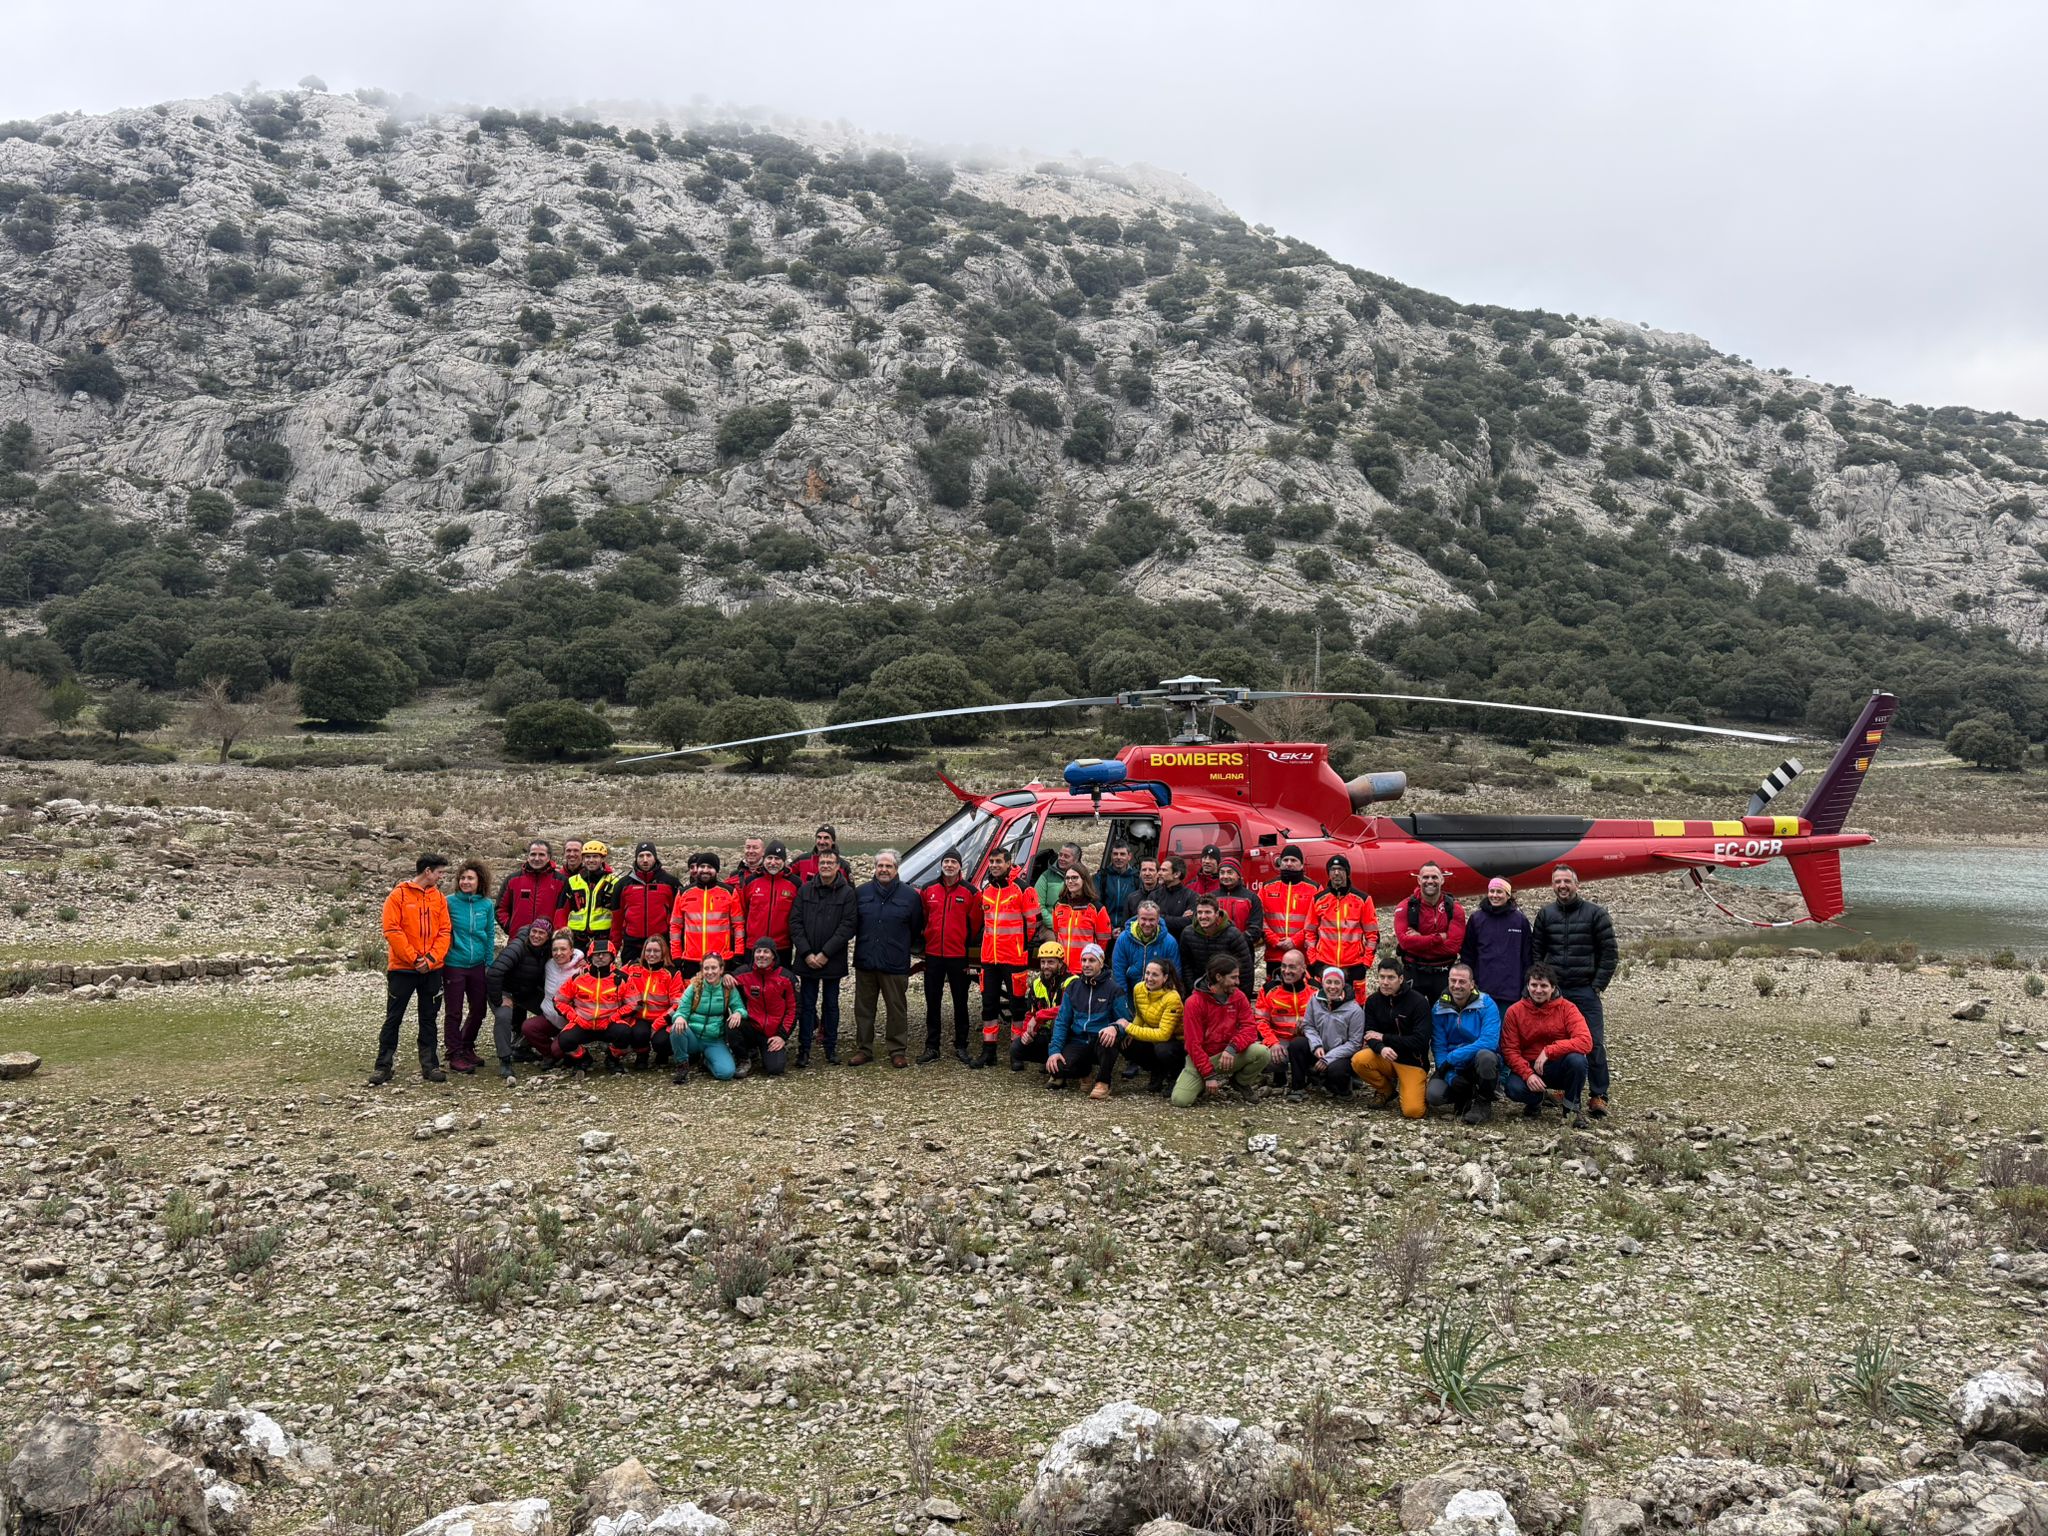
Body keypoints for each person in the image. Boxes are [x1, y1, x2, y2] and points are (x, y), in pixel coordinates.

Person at [1532, 865, 1618, 1119]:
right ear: (1552, 885)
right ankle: (1565, 1089)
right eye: (1557, 881)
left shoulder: (1595, 914)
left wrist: (1597, 985)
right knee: (1557, 1042)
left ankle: (1598, 1094)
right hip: (1556, 992)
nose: (1562, 885)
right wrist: (1542, 987)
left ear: (1576, 885)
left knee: (1592, 1042)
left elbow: (1609, 953)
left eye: (1567, 881)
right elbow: (1537, 953)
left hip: (1584, 989)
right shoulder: (1545, 915)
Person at [371, 853, 452, 1086]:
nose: (441, 877)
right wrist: (415, 958)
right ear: (427, 871)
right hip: (403, 969)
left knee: (429, 1018)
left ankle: (430, 1065)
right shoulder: (398, 895)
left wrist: (432, 958)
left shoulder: (439, 898)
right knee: (393, 1018)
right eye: (439, 872)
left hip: (432, 969)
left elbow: (445, 932)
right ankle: (383, 1066)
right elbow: (392, 930)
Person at [852, 848, 924, 1068]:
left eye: (888, 866)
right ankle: (864, 1049)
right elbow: (854, 923)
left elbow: (916, 927)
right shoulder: (861, 893)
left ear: (896, 868)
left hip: (894, 962)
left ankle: (897, 1050)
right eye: (880, 866)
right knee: (863, 1009)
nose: (883, 870)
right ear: (875, 868)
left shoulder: (910, 896)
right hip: (866, 959)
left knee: (896, 1008)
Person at [1502, 961, 1592, 1127]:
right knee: (1513, 1088)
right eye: (1534, 985)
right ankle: (1536, 1100)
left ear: (1553, 987)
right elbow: (1509, 1050)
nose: (1538, 990)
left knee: (1578, 1061)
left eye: (1543, 985)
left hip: (1559, 1065)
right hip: (1529, 1065)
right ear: (1527, 986)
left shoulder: (1568, 1008)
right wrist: (1527, 1074)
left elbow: (1585, 1041)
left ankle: (1571, 1111)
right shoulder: (1514, 1011)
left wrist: (1549, 1051)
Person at [789, 848, 857, 1066]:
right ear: (817, 865)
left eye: (830, 862)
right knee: (807, 1005)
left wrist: (826, 953)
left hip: (832, 959)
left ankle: (831, 1048)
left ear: (838, 866)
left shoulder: (847, 894)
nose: (826, 865)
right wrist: (807, 953)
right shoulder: (805, 890)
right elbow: (795, 923)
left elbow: (848, 926)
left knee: (831, 1004)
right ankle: (804, 1049)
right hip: (807, 959)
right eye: (822, 862)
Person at [1175, 955, 1270, 1107]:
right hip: (1204, 1058)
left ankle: (1240, 1082)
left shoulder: (1238, 997)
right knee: (1180, 1100)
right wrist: (1208, 1075)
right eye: (1233, 977)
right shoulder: (1194, 1002)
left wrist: (1232, 1048)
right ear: (1219, 977)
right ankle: (1201, 1083)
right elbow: (1193, 1045)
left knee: (1262, 1052)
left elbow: (1250, 1028)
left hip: (1230, 1055)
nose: (1237, 982)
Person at [976, 845, 1039, 1069]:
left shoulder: (1023, 889)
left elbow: (1033, 923)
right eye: (991, 862)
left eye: (998, 862)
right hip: (989, 958)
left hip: (1013, 958)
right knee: (989, 1005)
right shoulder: (987, 890)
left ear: (1009, 864)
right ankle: (988, 1051)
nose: (994, 866)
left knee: (1018, 1006)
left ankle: (1016, 1052)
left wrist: (1019, 944)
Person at [918, 847, 982, 1066]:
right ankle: (932, 1046)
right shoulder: (929, 890)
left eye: (953, 862)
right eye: (946, 861)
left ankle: (961, 1045)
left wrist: (962, 942)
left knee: (960, 1002)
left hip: (958, 955)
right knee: (932, 1001)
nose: (949, 866)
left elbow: (975, 924)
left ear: (960, 866)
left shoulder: (971, 892)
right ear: (941, 864)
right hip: (934, 954)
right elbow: (925, 917)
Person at [1045, 942, 1130, 1098]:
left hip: (1101, 1040)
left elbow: (1125, 1020)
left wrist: (1115, 1028)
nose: (1086, 964)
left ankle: (1103, 1082)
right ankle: (1085, 1073)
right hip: (1079, 1040)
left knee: (1109, 1038)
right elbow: (1062, 1021)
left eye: (1092, 960)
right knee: (1056, 1067)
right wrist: (1055, 1051)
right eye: (1084, 960)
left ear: (1101, 962)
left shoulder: (1114, 989)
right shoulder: (1073, 987)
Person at [439, 859, 496, 1076]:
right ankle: (454, 1053)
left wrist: (489, 962)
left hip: (478, 965)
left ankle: (466, 1044)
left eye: (470, 878)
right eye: (462, 878)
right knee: (453, 1011)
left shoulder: (487, 905)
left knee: (479, 1009)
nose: (465, 881)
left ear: (479, 880)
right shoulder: (449, 902)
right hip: (454, 963)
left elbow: (490, 934)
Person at [1354, 955, 1430, 1118]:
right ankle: (1386, 1090)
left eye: (1391, 978)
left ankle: (1415, 1087)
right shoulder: (1373, 1001)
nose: (1385, 982)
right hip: (1386, 1057)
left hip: (1412, 1061)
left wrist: (1385, 1038)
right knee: (1359, 1061)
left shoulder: (1418, 1002)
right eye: (1382, 977)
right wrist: (1381, 1048)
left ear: (1401, 979)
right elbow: (1369, 1034)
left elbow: (1420, 1041)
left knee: (1413, 1112)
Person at [553, 940, 644, 1077]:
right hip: (583, 1023)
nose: (600, 957)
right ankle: (583, 1058)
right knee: (565, 1040)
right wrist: (576, 1018)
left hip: (609, 1023)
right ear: (590, 956)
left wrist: (613, 1018)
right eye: (596, 954)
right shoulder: (578, 977)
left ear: (612, 956)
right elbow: (558, 1001)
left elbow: (635, 1003)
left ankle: (612, 1058)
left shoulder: (622, 978)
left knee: (625, 1033)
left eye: (604, 954)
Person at [1428, 962, 1503, 1124]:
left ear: (1472, 984)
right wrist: (1450, 1077)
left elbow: (1489, 1042)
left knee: (1486, 1057)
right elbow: (1439, 1048)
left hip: (1477, 1062)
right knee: (1434, 1096)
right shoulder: (1439, 1007)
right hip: (1452, 1066)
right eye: (1453, 981)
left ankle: (1484, 1101)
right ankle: (1466, 1095)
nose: (1457, 986)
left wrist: (1454, 1057)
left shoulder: (1486, 1004)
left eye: (1462, 981)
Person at [486, 916, 554, 1081]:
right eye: (534, 931)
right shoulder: (517, 947)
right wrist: (499, 999)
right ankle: (505, 1060)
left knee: (553, 1011)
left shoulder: (548, 950)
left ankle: (523, 1046)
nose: (536, 936)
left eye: (541, 933)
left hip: (525, 992)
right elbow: (494, 973)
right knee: (503, 1016)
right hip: (504, 990)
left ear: (548, 937)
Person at [1393, 861, 1465, 1010]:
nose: (1430, 881)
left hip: (1444, 972)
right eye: (1425, 877)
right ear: (1419, 880)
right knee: (1410, 1016)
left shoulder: (1454, 908)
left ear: (1442, 879)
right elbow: (1405, 943)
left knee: (1444, 1017)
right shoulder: (1405, 907)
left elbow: (1452, 948)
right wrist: (1440, 938)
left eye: (1434, 877)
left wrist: (1419, 940)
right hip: (1414, 970)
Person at [1462, 878, 1534, 1022]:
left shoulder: (1520, 920)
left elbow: (1527, 956)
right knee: (1484, 1032)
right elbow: (1468, 954)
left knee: (1507, 1033)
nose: (1495, 895)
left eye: (1499, 892)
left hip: (1511, 990)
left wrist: (1526, 984)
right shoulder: (1477, 919)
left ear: (1508, 895)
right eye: (1492, 891)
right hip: (1482, 988)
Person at [1290, 965, 1365, 1101]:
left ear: (1343, 984)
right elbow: (1308, 1025)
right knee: (1296, 1045)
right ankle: (1298, 1087)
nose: (1332, 986)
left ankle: (1343, 1088)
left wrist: (1329, 1058)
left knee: (1336, 1071)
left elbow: (1354, 1043)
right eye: (1328, 982)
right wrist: (1316, 1045)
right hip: (1319, 1049)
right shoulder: (1314, 999)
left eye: (1337, 982)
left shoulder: (1355, 1010)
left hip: (1341, 1056)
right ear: (1322, 982)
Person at [671, 952, 747, 1084]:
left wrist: (738, 1013)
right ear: (702, 970)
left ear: (721, 969)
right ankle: (682, 1065)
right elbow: (681, 1011)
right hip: (693, 1037)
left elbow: (741, 1008)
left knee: (726, 1073)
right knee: (676, 1028)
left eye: (714, 968)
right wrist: (679, 1017)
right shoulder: (694, 987)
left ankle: (707, 1061)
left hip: (714, 1039)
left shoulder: (727, 988)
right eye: (706, 968)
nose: (710, 972)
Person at [670, 852, 744, 979]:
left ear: (717, 870)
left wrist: (738, 953)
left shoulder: (729, 893)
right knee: (694, 997)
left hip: (720, 959)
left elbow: (738, 926)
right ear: (697, 868)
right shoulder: (684, 893)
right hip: (691, 959)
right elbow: (675, 926)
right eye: (702, 866)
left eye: (710, 867)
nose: (705, 870)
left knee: (719, 997)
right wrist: (676, 955)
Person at [1308, 854, 1377, 988]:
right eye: (1333, 869)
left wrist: (1366, 963)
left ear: (1347, 873)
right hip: (1324, 964)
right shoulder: (1318, 899)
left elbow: (1373, 935)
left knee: (1355, 1006)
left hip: (1354, 966)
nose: (1337, 873)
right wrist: (1313, 961)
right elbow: (1309, 933)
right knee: (1324, 1006)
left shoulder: (1363, 900)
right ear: (1328, 873)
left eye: (1341, 869)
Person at [622, 935, 685, 1072]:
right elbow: (611, 974)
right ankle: (642, 1056)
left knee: (661, 1042)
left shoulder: (672, 973)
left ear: (663, 953)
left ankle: (662, 1054)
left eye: (656, 951)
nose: (651, 954)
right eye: (648, 950)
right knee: (638, 1034)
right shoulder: (633, 967)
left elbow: (677, 1005)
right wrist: (584, 968)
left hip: (662, 1019)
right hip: (640, 1017)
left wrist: (659, 1023)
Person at [733, 941, 796, 1078]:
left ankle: (772, 1050)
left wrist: (782, 1036)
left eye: (766, 952)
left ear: (774, 956)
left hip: (773, 1032)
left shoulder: (786, 977)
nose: (761, 955)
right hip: (753, 1026)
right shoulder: (744, 972)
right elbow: (726, 977)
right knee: (732, 1025)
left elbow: (794, 1010)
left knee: (775, 1069)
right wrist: (726, 975)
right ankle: (744, 1058)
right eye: (758, 951)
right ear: (753, 954)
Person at [1256, 845, 1316, 987]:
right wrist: (1275, 940)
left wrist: (1295, 941)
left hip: (1303, 955)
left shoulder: (1313, 889)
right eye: (1285, 860)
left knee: (1304, 995)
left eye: (1293, 860)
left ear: (1301, 865)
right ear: (1280, 862)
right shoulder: (1267, 887)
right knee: (1275, 994)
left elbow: (1315, 922)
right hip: (1275, 954)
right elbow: (1259, 917)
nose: (1289, 863)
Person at [1124, 958, 1185, 1094]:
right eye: (1147, 973)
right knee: (1125, 1042)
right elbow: (1140, 1015)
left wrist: (1130, 1028)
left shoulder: (1172, 998)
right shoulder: (1138, 988)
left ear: (1165, 978)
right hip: (1154, 1036)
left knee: (1163, 1050)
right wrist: (1130, 1033)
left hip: (1176, 1042)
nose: (1149, 978)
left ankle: (1175, 1076)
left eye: (1155, 975)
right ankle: (1157, 1071)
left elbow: (1164, 1035)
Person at [1256, 948, 1315, 1086]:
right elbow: (1260, 1021)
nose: (1286, 971)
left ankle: (1311, 1075)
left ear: (1303, 968)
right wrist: (1272, 1043)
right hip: (1278, 1041)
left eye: (1292, 967)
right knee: (1264, 1058)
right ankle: (1279, 1075)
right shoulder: (1269, 989)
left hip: (1306, 1042)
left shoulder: (1316, 990)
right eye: (1283, 966)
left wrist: (1308, 1026)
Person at [738, 841, 801, 966]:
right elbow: (743, 911)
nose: (773, 862)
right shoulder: (751, 881)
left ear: (784, 861)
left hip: (781, 946)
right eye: (769, 858)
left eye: (777, 859)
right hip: (753, 945)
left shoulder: (795, 883)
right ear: (763, 859)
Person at [1180, 892, 1255, 997]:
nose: (1203, 916)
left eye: (1207, 912)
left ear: (1216, 914)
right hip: (1199, 991)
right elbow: (1187, 966)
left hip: (1227, 992)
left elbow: (1246, 970)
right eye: (1199, 912)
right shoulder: (1188, 934)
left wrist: (1240, 997)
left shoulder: (1233, 935)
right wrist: (1192, 990)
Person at [616, 842, 681, 959]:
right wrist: (615, 947)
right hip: (632, 944)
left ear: (655, 857)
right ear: (636, 858)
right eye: (641, 856)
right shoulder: (623, 884)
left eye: (649, 855)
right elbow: (617, 919)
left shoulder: (671, 883)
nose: (645, 860)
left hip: (661, 942)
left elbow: (677, 916)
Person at [1013, 940, 1071, 1071]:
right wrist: (1026, 1033)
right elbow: (1030, 1013)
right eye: (1043, 962)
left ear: (1060, 963)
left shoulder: (1071, 981)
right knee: (1016, 1048)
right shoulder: (1037, 983)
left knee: (1058, 1022)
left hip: (1067, 1034)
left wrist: (1039, 1016)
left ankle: (1060, 1063)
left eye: (1051, 962)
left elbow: (1066, 1010)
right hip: (1045, 1033)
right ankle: (1048, 1061)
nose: (1045, 966)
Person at [1110, 900, 1179, 1002]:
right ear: (1137, 918)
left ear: (1158, 919)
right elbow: (1118, 971)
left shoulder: (1169, 942)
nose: (1147, 923)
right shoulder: (1123, 938)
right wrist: (1123, 1000)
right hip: (1130, 995)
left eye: (1151, 920)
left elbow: (1174, 975)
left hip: (1159, 998)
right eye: (1143, 919)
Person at [496, 840, 567, 936]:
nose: (536, 858)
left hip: (548, 941)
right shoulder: (512, 879)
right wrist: (510, 927)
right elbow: (500, 909)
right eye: (533, 854)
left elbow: (565, 911)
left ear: (549, 857)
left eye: (541, 855)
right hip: (518, 938)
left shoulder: (560, 881)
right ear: (528, 857)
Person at [1048, 866, 1113, 971]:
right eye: (1067, 878)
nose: (1070, 881)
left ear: (1084, 880)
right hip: (1063, 968)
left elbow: (1103, 942)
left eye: (1074, 878)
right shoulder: (1058, 905)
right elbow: (1057, 935)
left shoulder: (1096, 908)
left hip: (1085, 969)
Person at [563, 840, 620, 953]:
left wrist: (616, 938)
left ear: (602, 859)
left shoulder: (613, 882)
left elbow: (618, 914)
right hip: (576, 936)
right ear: (583, 859)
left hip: (602, 936)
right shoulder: (572, 881)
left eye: (595, 857)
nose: (591, 860)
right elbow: (562, 910)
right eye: (587, 857)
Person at [1214, 859, 1264, 956]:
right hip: (1216, 952)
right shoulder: (1212, 897)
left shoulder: (1251, 898)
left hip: (1243, 952)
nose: (1225, 876)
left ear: (1238, 875)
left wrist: (1235, 941)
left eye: (1229, 872)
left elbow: (1256, 929)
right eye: (1222, 872)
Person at [1151, 856, 1196, 938]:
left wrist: (1159, 917)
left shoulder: (1191, 896)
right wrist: (1179, 919)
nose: (1159, 873)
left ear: (1176, 874)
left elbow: (1188, 923)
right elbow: (1148, 918)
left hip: (1181, 945)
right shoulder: (1154, 895)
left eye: (1164, 870)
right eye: (1160, 869)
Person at [1098, 842, 1141, 928]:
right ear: (1111, 856)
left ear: (1129, 856)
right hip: (1105, 928)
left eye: (1122, 854)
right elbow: (1096, 903)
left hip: (1129, 929)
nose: (1118, 857)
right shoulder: (1102, 877)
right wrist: (1110, 927)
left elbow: (1140, 906)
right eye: (1115, 854)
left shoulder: (1137, 878)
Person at [1034, 841, 1083, 916]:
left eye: (1066, 856)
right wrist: (1053, 923)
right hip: (1052, 923)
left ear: (1076, 860)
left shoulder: (1083, 877)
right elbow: (1037, 904)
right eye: (1060, 855)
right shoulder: (1046, 876)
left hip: (1076, 923)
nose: (1061, 858)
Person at [1121, 858, 1162, 923]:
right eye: (1144, 870)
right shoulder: (1132, 898)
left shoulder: (1165, 896)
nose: (1147, 873)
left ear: (1158, 873)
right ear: (1140, 873)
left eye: (1151, 870)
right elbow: (1125, 924)